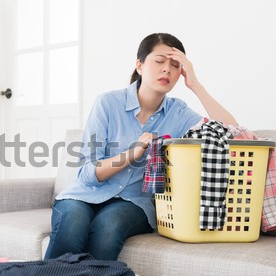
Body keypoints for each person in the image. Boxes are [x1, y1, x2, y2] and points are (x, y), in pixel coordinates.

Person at [44, 33, 238, 261]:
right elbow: (87, 173)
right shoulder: (107, 103)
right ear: (140, 65)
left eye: (175, 65)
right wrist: (130, 154)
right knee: (72, 223)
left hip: (134, 203)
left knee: (108, 227)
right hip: (84, 194)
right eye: (159, 61)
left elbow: (232, 132)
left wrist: (195, 85)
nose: (167, 69)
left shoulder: (179, 113)